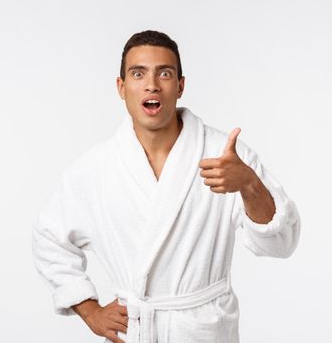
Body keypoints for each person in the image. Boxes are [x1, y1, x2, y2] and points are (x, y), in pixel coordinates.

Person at [32, 30, 301, 343]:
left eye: (165, 73)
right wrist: (89, 310)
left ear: (180, 86)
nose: (152, 84)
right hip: (135, 333)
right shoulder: (95, 169)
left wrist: (249, 184)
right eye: (138, 73)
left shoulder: (225, 157)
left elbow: (281, 244)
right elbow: (48, 238)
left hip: (203, 332)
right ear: (121, 87)